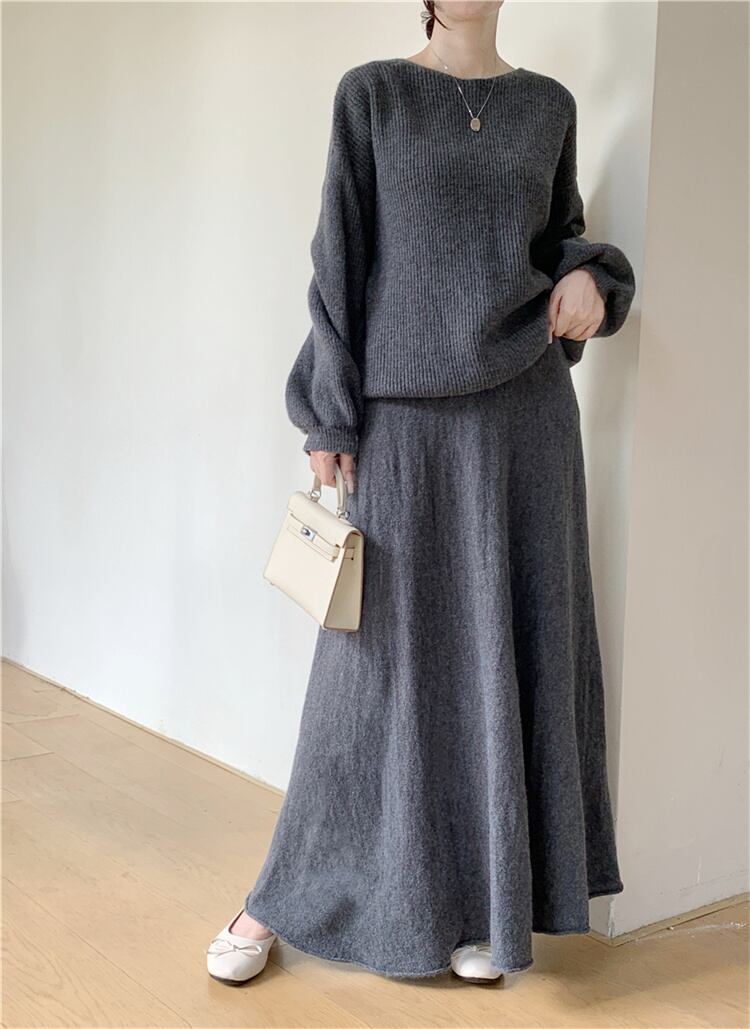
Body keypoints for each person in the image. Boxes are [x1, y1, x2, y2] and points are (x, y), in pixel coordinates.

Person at [207, 0, 635, 987]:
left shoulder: (548, 106)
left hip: (524, 421)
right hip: (402, 421)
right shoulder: (374, 96)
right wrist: (329, 416)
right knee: (369, 679)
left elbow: (562, 240)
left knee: (504, 659)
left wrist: (595, 281)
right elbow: (340, 258)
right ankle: (277, 896)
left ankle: (487, 909)